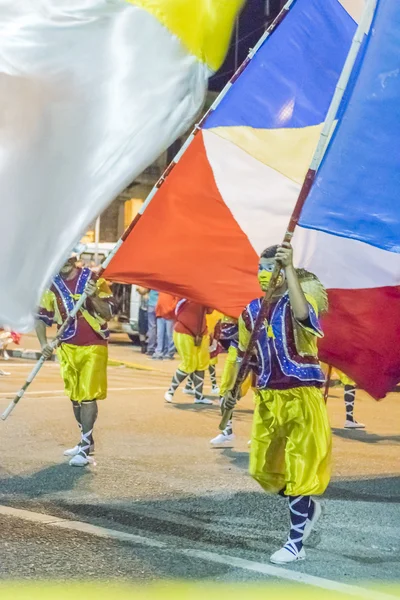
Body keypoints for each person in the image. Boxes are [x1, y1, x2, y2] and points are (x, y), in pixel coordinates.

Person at [223, 243, 331, 564]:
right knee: (264, 469)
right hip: (269, 398)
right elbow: (246, 357)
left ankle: (295, 543)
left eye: (271, 267)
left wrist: (291, 269)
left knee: (300, 467)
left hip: (302, 396)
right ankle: (307, 506)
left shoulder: (298, 299)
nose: (263, 274)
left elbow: (302, 315)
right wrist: (233, 390)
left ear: (283, 274)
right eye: (260, 267)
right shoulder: (251, 312)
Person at [35, 251, 115, 467]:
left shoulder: (95, 279)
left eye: (65, 259)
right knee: (75, 397)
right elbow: (41, 318)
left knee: (88, 396)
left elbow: (108, 314)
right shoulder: (51, 285)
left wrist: (93, 297)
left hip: (94, 345)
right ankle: (85, 442)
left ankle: (86, 446)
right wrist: (44, 344)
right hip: (67, 346)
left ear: (72, 260)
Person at [209, 317, 252, 446]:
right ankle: (227, 432)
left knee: (264, 394)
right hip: (237, 349)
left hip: (262, 351)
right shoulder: (235, 305)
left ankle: (262, 435)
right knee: (226, 390)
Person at [164, 300, 213, 405]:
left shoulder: (205, 294)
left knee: (201, 364)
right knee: (188, 363)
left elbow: (210, 310)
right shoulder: (185, 294)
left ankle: (199, 396)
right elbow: (176, 309)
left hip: (202, 333)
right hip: (184, 331)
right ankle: (170, 391)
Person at [153, 292, 178, 360]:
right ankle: (159, 352)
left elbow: (177, 299)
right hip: (160, 313)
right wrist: (157, 308)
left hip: (170, 315)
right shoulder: (162, 288)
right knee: (160, 334)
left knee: (169, 335)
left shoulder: (173, 288)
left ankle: (169, 353)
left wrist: (170, 309)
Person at [137, 287, 149, 354]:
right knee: (141, 328)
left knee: (150, 328)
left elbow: (143, 291)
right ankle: (143, 345)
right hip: (142, 308)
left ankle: (146, 345)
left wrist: (141, 290)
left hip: (149, 308)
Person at [146, 290, 159, 356]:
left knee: (151, 327)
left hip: (151, 304)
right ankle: (159, 349)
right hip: (160, 304)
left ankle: (151, 348)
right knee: (160, 328)